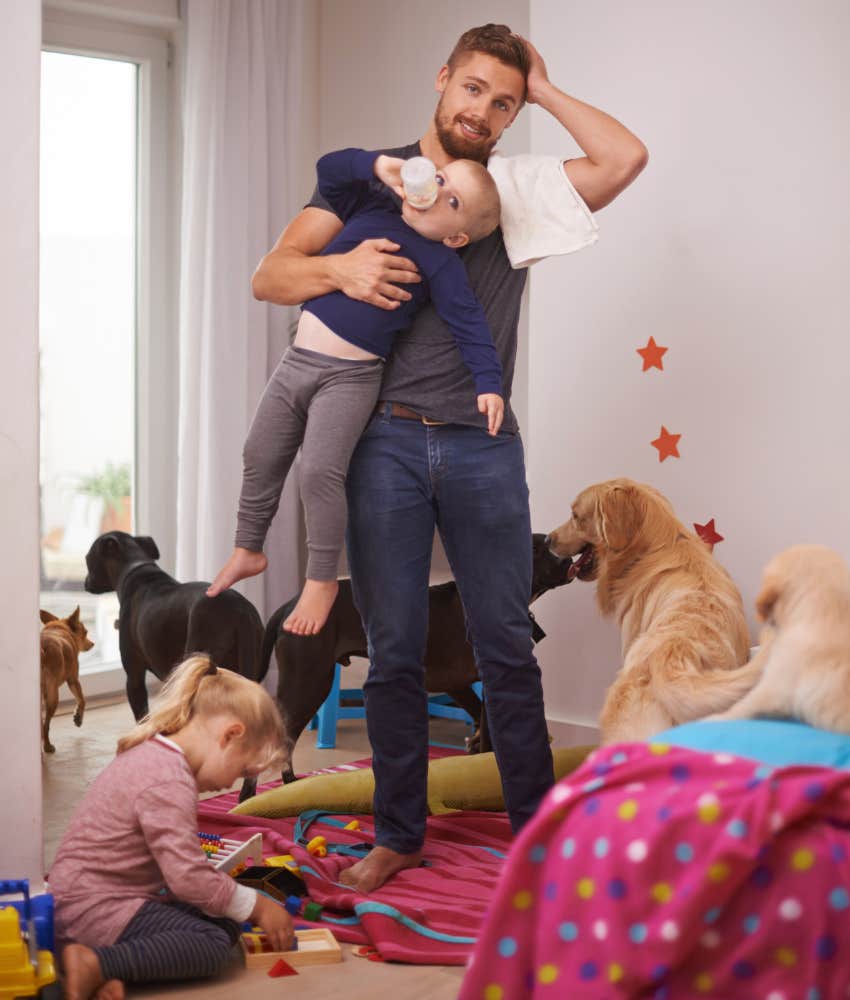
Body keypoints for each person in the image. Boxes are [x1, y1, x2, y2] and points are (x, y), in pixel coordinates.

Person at [251, 24, 648, 892]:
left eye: (503, 99)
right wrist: (343, 269)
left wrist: (544, 92)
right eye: (474, 89)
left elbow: (623, 157)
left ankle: (537, 834)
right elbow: (271, 273)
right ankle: (400, 831)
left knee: (504, 642)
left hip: (481, 446)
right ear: (443, 80)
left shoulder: (521, 188)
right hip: (381, 442)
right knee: (393, 650)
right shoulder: (369, 178)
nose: (484, 110)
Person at [207, 147, 505, 636]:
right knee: (259, 452)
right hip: (295, 364)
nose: (436, 191)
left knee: (319, 471)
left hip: (350, 378)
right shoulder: (375, 204)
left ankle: (322, 577)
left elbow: (469, 323)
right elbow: (328, 170)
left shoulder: (439, 261)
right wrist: (378, 166)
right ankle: (248, 548)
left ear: (455, 236)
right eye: (441, 178)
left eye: (452, 200)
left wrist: (488, 385)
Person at [49, 655, 294, 1000]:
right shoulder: (167, 780)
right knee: (211, 945)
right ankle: (96, 964)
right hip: (93, 911)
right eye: (240, 771)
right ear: (230, 735)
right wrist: (258, 906)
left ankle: (100, 973)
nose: (230, 784)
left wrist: (234, 905)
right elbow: (187, 878)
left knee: (222, 918)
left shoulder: (155, 754)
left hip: (92, 901)